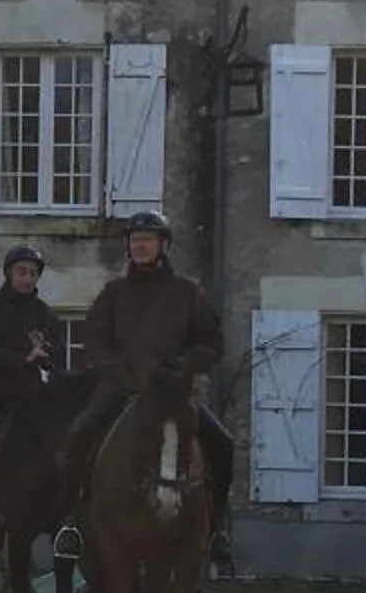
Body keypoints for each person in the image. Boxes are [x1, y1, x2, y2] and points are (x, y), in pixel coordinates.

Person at [50, 212, 234, 565]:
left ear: (163, 245)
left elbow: (211, 342)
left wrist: (185, 363)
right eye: (135, 240)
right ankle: (73, 522)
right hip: (121, 393)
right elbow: (95, 341)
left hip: (174, 396)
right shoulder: (113, 295)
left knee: (222, 444)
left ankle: (216, 528)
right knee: (77, 436)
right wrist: (120, 374)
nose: (140, 246)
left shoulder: (187, 294)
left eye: (147, 240)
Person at [0, 245, 62, 434]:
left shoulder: (45, 314)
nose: (28, 279)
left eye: (33, 274)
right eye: (22, 272)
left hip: (31, 398)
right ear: (9, 273)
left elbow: (58, 353)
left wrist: (47, 357)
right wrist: (24, 360)